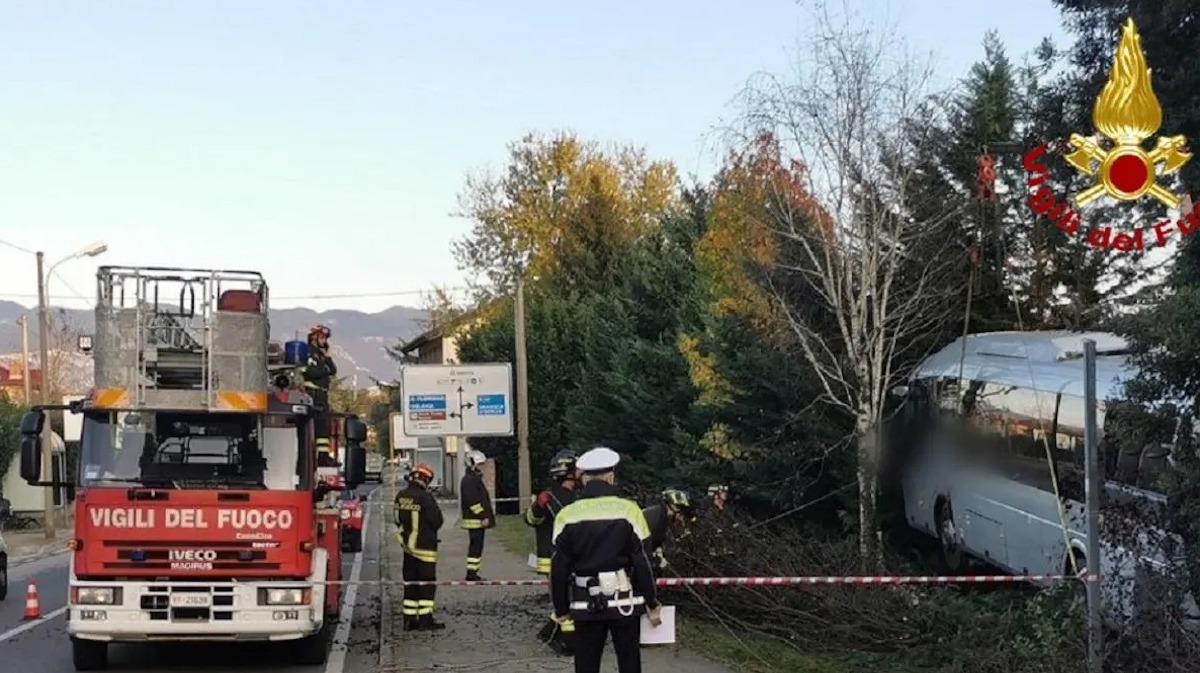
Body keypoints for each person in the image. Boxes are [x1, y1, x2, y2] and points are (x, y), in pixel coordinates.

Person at [551, 447, 661, 673]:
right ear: (610, 477)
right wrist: (651, 602)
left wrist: (561, 608)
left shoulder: (567, 515)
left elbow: (559, 569)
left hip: (585, 603)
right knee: (629, 663)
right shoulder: (629, 511)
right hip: (623, 603)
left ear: (584, 478)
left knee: (586, 664)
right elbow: (643, 563)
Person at [527, 449, 580, 654]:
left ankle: (549, 631)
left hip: (572, 556)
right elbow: (531, 520)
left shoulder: (575, 496)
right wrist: (537, 507)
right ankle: (565, 640)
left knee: (569, 597)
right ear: (567, 471)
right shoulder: (549, 497)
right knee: (567, 598)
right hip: (555, 557)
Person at [394, 463, 445, 630]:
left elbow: (396, 518)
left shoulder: (401, 495)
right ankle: (425, 619)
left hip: (407, 549)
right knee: (426, 585)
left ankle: (409, 620)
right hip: (425, 549)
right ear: (425, 479)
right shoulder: (425, 498)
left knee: (410, 585)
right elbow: (437, 521)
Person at [300, 324, 338, 466]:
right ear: (314, 338)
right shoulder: (309, 352)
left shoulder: (322, 354)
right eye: (322, 337)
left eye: (325, 338)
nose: (324, 340)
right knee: (313, 428)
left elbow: (333, 370)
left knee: (324, 429)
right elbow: (310, 372)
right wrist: (325, 369)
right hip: (313, 395)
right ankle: (311, 459)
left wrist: (327, 359)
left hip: (322, 396)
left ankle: (323, 457)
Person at [459, 450, 495, 581]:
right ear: (472, 464)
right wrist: (483, 516)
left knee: (476, 548)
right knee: (475, 548)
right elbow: (473, 501)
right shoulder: (470, 480)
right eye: (480, 464)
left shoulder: (472, 479)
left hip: (476, 520)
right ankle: (471, 573)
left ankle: (472, 572)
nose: (482, 467)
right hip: (475, 521)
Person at [642, 489, 695, 574]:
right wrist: (655, 559)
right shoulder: (654, 519)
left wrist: (658, 553)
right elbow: (640, 546)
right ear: (668, 505)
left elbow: (656, 542)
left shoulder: (664, 520)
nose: (681, 515)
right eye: (679, 509)